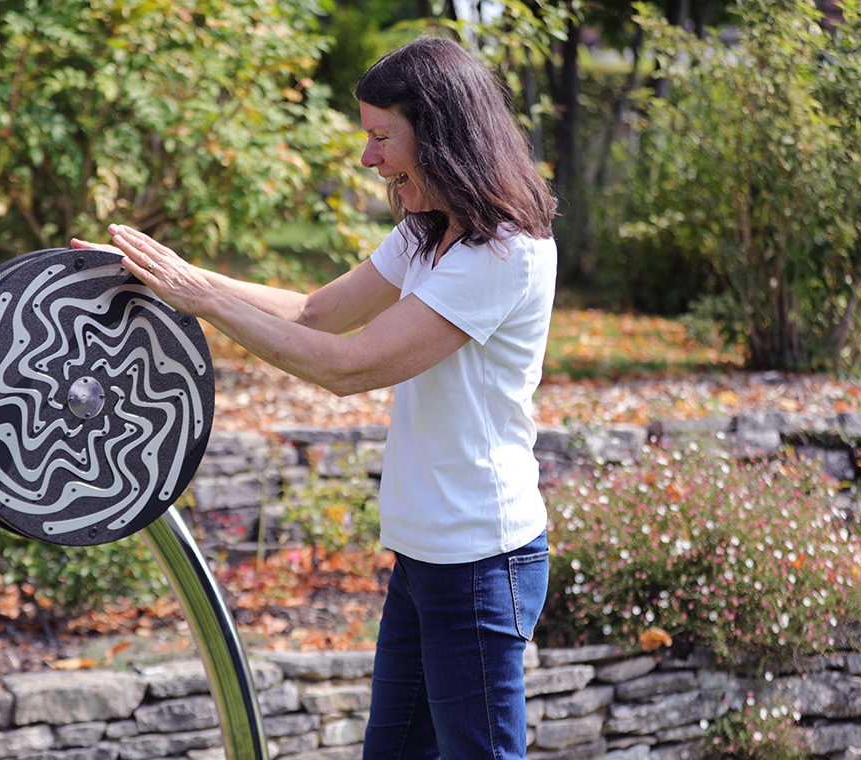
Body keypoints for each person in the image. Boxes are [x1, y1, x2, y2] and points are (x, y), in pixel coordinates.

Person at [73, 35, 557, 760]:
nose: (369, 158)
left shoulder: (501, 253)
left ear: (439, 129)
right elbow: (312, 312)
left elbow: (349, 365)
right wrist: (171, 273)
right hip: (426, 552)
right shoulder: (430, 234)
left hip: (482, 560)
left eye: (380, 136)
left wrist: (200, 299)